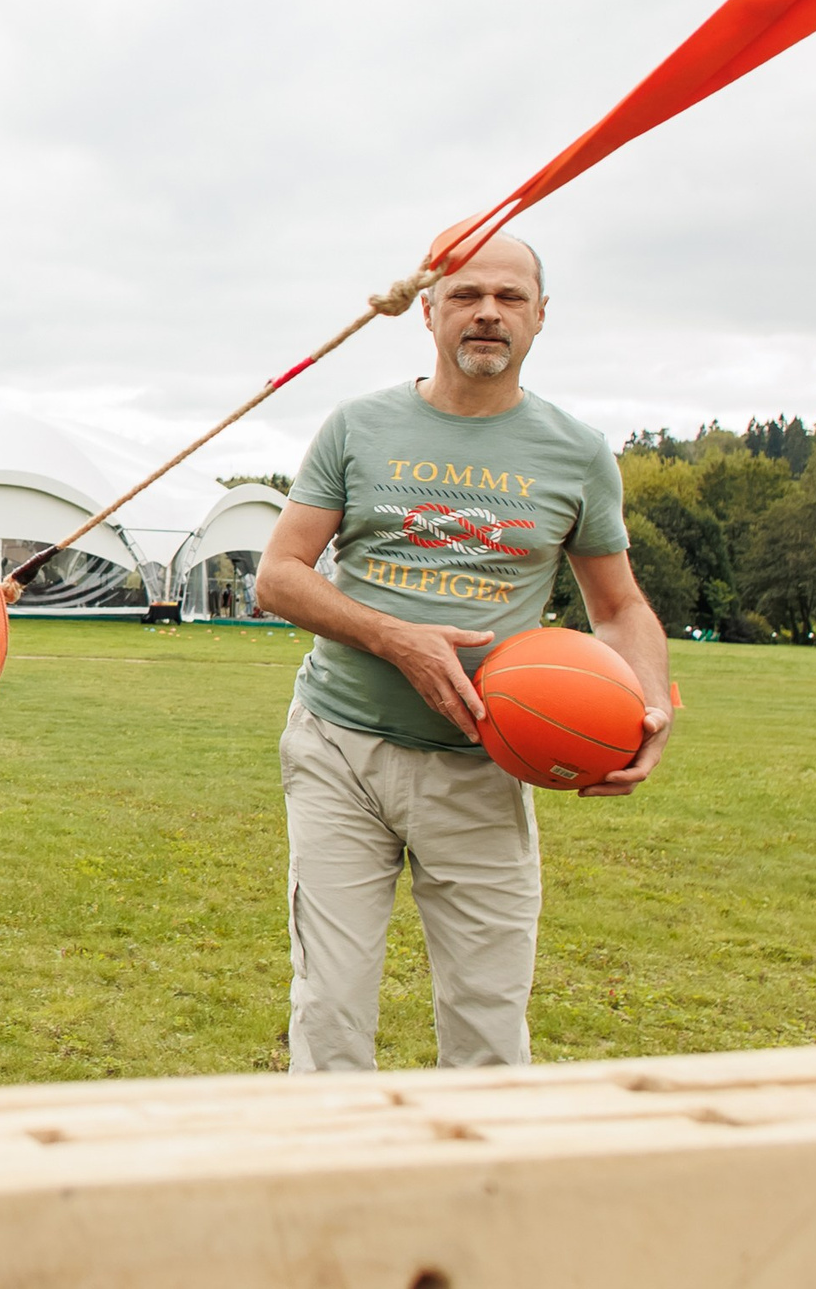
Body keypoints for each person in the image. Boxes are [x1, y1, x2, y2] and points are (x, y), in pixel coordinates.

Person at [253, 234, 671, 1072]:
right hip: (343, 747)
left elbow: (618, 606)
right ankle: (326, 1197)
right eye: (468, 294)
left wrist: (649, 702)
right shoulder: (359, 425)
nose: (488, 312)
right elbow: (278, 576)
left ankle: (476, 1199)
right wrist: (393, 637)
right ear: (429, 310)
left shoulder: (576, 452)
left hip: (486, 765)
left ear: (541, 317)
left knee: (489, 1029)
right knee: (329, 1014)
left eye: (510, 297)